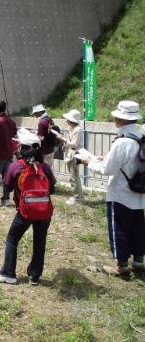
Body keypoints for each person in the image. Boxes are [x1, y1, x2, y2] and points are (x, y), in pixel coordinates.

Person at [80, 101, 145, 276]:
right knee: (138, 228)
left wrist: (89, 161)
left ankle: (121, 266)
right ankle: (138, 262)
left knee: (119, 229)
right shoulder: (139, 138)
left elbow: (107, 169)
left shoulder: (122, 142)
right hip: (138, 195)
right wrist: (105, 157)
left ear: (120, 118)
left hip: (120, 194)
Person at [0, 130, 56, 285]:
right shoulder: (45, 167)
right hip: (44, 211)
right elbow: (52, 189)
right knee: (40, 242)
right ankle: (34, 276)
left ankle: (8, 273)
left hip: (25, 211)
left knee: (12, 239)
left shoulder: (16, 167)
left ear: (22, 148)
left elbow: (7, 187)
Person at [56, 109, 83, 205]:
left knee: (74, 177)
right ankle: (77, 196)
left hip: (74, 155)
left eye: (67, 119)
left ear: (72, 120)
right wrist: (65, 145)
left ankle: (78, 198)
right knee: (73, 176)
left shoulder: (78, 130)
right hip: (70, 154)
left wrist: (62, 139)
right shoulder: (72, 129)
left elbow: (74, 144)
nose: (66, 120)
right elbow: (69, 142)